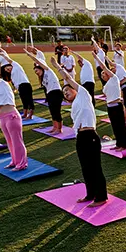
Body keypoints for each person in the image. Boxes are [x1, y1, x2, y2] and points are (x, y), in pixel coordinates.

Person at [53, 57, 108, 206]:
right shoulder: (75, 106)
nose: (65, 93)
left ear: (75, 89)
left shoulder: (84, 94)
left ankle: (101, 197)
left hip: (90, 136)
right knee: (85, 168)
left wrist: (57, 66)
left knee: (95, 168)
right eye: (63, 92)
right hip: (81, 137)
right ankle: (90, 194)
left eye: (67, 90)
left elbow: (68, 78)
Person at [92, 52, 126, 151]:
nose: (103, 75)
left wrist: (96, 58)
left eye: (104, 73)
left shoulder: (114, 79)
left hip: (117, 105)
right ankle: (118, 143)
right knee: (115, 126)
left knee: (121, 126)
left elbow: (103, 66)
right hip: (110, 107)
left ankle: (124, 145)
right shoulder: (106, 85)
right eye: (102, 74)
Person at [25, 48, 64, 135]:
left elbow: (38, 61)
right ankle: (54, 127)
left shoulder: (47, 71)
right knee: (52, 111)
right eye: (35, 71)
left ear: (41, 68)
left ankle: (59, 129)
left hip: (56, 92)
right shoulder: (42, 80)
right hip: (50, 94)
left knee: (56, 111)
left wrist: (30, 54)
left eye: (37, 70)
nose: (36, 72)